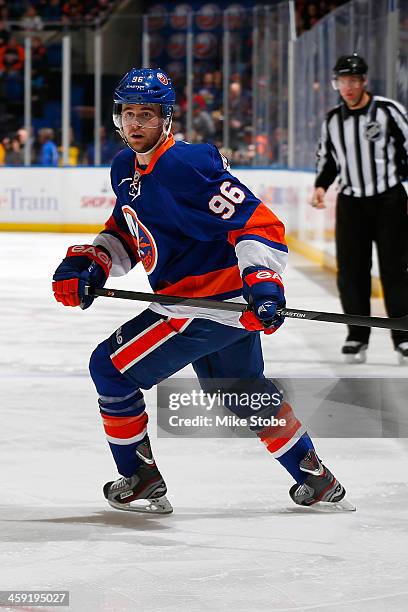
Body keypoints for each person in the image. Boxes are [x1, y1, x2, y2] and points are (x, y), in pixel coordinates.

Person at [52, 68, 349, 514]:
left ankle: (139, 478)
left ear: (166, 119)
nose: (136, 124)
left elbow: (256, 222)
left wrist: (264, 281)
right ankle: (315, 477)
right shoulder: (125, 168)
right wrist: (93, 261)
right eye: (128, 114)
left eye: (147, 115)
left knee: (109, 369)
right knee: (240, 389)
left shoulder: (185, 164)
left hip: (203, 304)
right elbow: (132, 232)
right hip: (215, 305)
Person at [311, 54, 408, 364]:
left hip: (389, 200)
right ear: (336, 84)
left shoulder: (388, 111)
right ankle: (357, 335)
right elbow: (328, 160)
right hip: (352, 203)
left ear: (364, 81)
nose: (348, 87)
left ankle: (403, 336)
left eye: (353, 81)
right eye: (342, 81)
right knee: (351, 274)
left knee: (396, 271)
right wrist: (320, 186)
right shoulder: (332, 120)